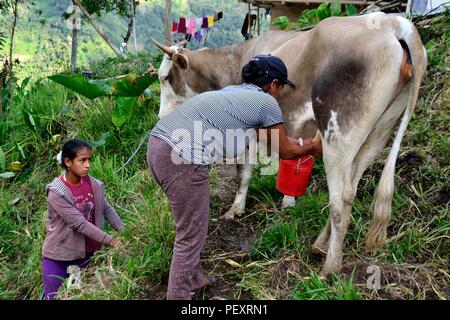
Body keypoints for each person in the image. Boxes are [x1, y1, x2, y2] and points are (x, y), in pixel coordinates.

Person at [147, 54, 322, 300]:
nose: (280, 92)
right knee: (189, 234)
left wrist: (302, 143)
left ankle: (194, 277)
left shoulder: (235, 93)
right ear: (272, 84)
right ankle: (178, 296)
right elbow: (286, 151)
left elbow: (271, 139)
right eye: (281, 86)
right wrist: (313, 148)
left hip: (158, 146)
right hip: (182, 158)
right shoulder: (265, 102)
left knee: (194, 223)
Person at [42, 139, 124, 300]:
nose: (87, 165)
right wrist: (111, 241)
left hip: (82, 258)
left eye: (89, 160)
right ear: (68, 162)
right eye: (82, 160)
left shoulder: (93, 184)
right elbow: (79, 223)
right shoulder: (57, 192)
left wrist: (125, 232)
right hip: (59, 258)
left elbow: (106, 208)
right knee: (55, 297)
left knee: (74, 294)